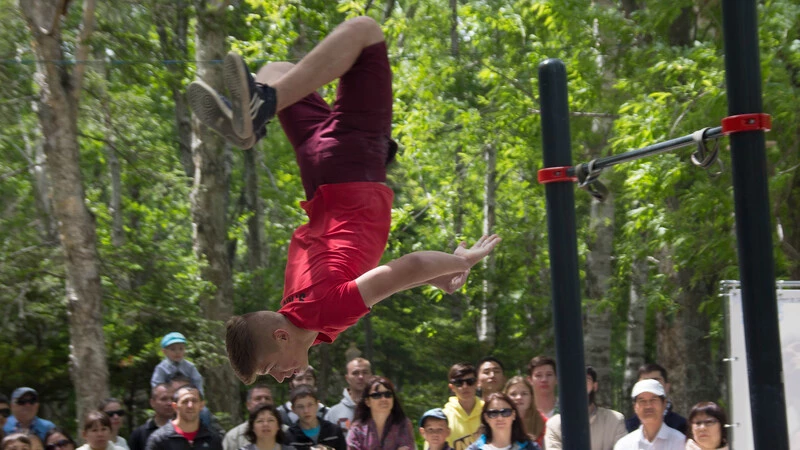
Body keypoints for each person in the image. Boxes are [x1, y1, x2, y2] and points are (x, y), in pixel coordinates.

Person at [187, 16, 502, 384]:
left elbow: (411, 264)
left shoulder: (326, 314)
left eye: (271, 367)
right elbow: (367, 268)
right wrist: (436, 279)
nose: (280, 378)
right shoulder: (297, 307)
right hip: (318, 170)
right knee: (279, 69)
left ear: (281, 336)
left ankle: (259, 108)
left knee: (365, 32)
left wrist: (458, 261)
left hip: (353, 167)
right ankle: (259, 105)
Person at [544, 366, 625, 450]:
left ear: (595, 386)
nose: (580, 386)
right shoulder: (554, 425)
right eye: (575, 381)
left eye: (586, 380)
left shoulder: (614, 421)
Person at [345, 377, 415, 450]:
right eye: (377, 395)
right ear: (367, 402)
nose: (383, 399)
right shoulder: (357, 428)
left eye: (388, 394)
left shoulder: (403, 424)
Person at [613, 380, 684, 450]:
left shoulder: (680, 442)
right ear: (635, 407)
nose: (648, 406)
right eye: (642, 401)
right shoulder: (624, 445)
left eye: (653, 400)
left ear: (664, 404)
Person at [145, 386, 222, 450]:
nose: (190, 406)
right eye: (185, 401)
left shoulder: (213, 438)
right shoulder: (159, 439)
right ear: (175, 406)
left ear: (201, 406)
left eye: (194, 401)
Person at [625, 363, 687, 434]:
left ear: (667, 386)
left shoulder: (683, 425)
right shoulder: (627, 426)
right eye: (645, 382)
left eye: (655, 381)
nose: (651, 385)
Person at [464, 392, 540, 450]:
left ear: (513, 415)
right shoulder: (474, 449)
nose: (500, 418)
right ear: (486, 417)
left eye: (506, 412)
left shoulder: (531, 447)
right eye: (493, 413)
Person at [325, 358, 372, 435]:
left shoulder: (379, 409)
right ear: (347, 378)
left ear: (371, 376)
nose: (361, 377)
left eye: (365, 372)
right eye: (355, 373)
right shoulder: (333, 413)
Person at [442, 363, 483, 450]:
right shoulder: (443, 417)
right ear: (452, 387)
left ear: (477, 383)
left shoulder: (489, 412)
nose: (465, 386)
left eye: (470, 382)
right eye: (459, 383)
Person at [224, 385, 275, 450]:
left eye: (267, 398)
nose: (263, 401)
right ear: (248, 405)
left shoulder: (286, 432)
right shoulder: (233, 437)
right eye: (258, 398)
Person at [129, 384, 174, 450]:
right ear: (152, 403)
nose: (169, 403)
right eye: (164, 399)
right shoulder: (139, 434)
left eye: (172, 399)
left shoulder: (183, 430)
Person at [503, 376, 546, 446]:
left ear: (531, 397)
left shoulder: (544, 422)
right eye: (513, 394)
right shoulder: (498, 420)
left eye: (524, 394)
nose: (519, 397)